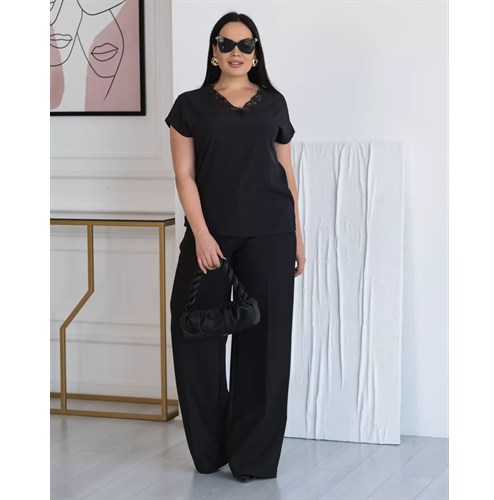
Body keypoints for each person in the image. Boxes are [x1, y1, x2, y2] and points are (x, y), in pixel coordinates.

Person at [165, 12, 306, 483]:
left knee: (266, 344)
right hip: (211, 235)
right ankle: (210, 451)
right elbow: (184, 175)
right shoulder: (189, 106)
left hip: (271, 233)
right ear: (213, 51)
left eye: (246, 45)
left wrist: (298, 237)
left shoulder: (274, 104)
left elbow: (286, 175)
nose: (236, 52)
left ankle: (253, 458)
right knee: (194, 335)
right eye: (226, 44)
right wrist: (202, 234)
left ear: (256, 53)